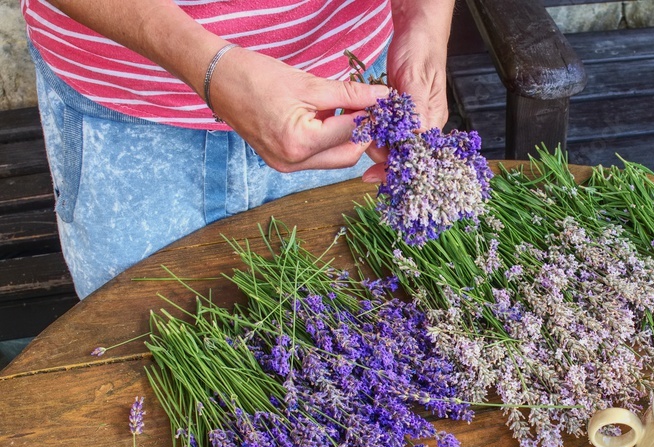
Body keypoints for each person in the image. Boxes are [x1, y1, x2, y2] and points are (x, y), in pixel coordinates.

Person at [20, 0, 455, 298]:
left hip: (347, 98)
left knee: (361, 326)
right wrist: (212, 70)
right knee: (130, 360)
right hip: (128, 119)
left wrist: (424, 23)